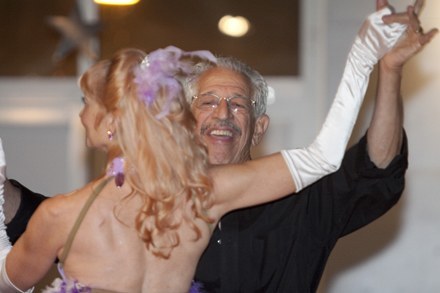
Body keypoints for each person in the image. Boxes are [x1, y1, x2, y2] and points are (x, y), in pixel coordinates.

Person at [1, 1, 436, 292]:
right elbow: (49, 223)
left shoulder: (292, 201)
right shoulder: (176, 200)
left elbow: (372, 168)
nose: (223, 114)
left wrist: (384, 69)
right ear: (185, 120)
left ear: (260, 126)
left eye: (237, 105)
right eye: (207, 102)